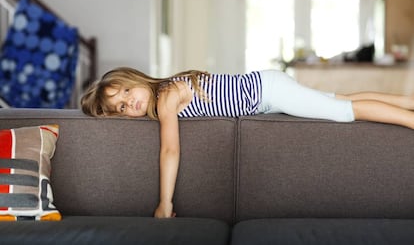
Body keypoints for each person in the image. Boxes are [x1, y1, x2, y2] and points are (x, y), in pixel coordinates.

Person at [81, 67, 414, 218]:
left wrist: (164, 203)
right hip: (267, 88)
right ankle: (409, 101)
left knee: (342, 111)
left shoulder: (165, 96)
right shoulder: (162, 97)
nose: (130, 103)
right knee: (340, 97)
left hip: (268, 91)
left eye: (127, 92)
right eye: (121, 108)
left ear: (137, 80)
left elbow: (170, 149)